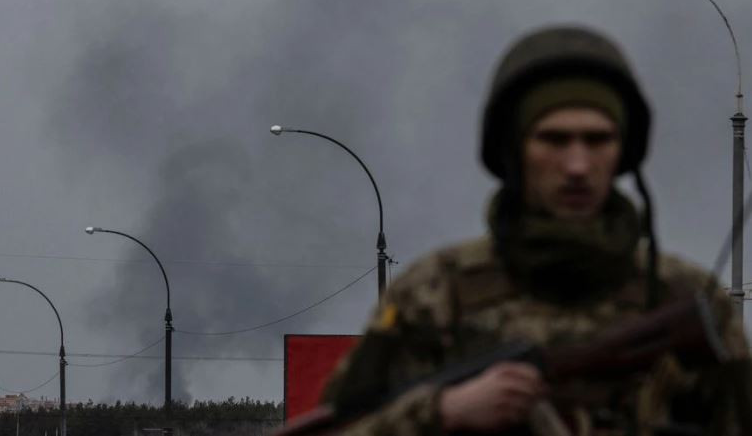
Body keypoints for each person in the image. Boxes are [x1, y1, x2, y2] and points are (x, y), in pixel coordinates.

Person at [320, 26, 751, 435]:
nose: (578, 166)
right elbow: (340, 426)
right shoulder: (435, 294)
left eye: (597, 140)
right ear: (514, 150)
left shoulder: (687, 298)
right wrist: (444, 411)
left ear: (624, 151)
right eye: (554, 140)